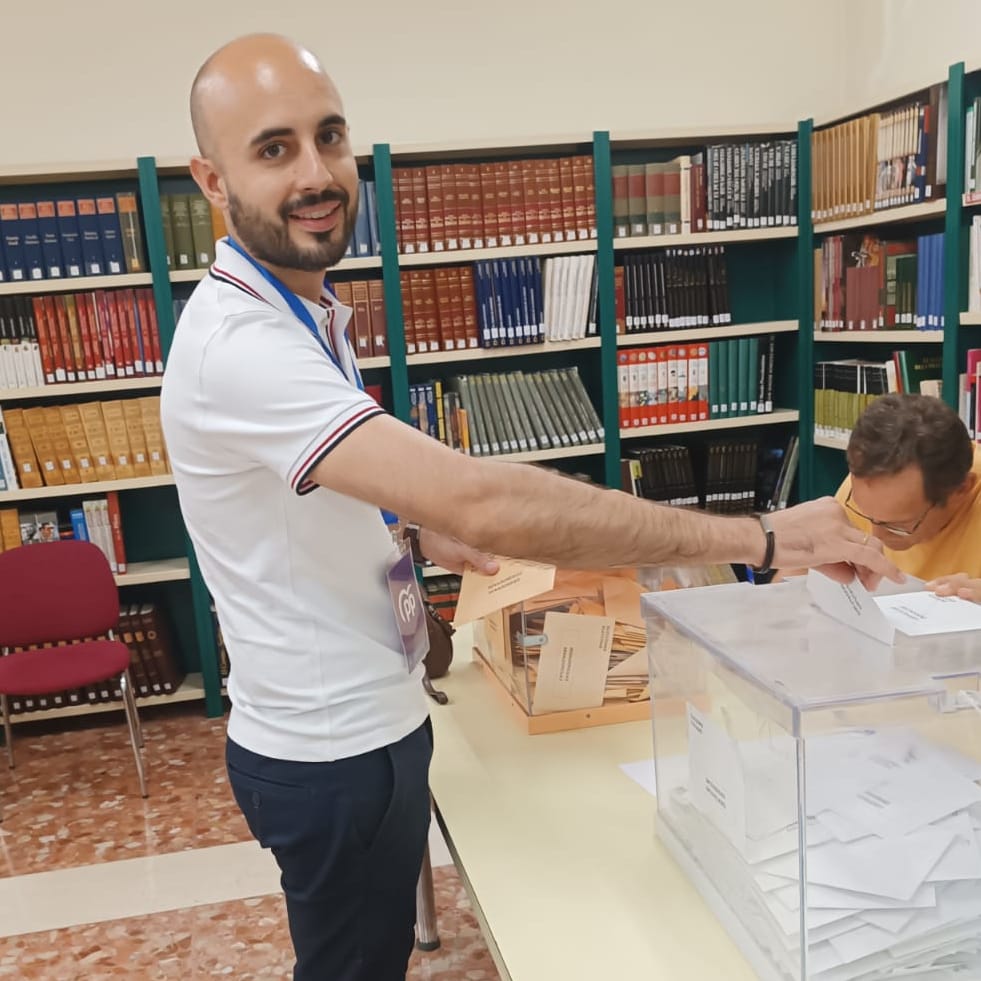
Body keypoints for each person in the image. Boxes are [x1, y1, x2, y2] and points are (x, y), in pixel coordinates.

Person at [160, 33, 897, 981]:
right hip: (329, 752)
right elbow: (485, 494)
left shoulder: (302, 309)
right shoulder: (241, 346)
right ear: (210, 180)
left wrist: (418, 529)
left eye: (330, 137)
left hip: (367, 722)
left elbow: (305, 504)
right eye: (273, 149)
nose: (316, 172)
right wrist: (759, 535)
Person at [832, 393, 981, 582]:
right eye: (866, 516)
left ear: (961, 490)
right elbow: (798, 575)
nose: (876, 536)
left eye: (898, 525)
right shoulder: (873, 481)